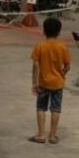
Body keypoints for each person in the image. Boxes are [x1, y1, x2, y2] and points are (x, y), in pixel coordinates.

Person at [30, 17, 71, 145]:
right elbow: (68, 65)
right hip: (57, 83)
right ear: (58, 32)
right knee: (56, 108)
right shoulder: (63, 46)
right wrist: (61, 74)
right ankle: (53, 136)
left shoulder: (40, 46)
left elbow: (36, 65)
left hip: (43, 82)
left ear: (44, 31)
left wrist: (34, 82)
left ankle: (41, 135)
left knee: (41, 107)